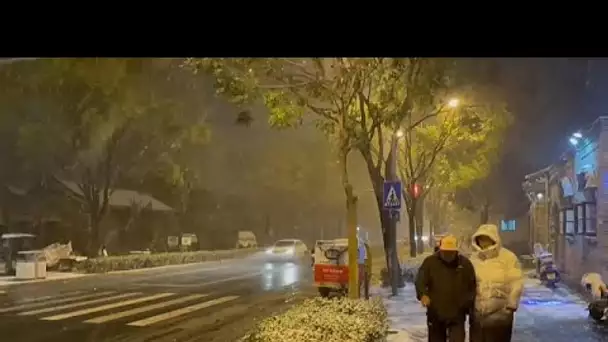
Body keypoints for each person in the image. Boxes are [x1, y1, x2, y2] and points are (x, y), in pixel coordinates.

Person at [415, 234, 477, 342]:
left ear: (456, 251)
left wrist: (466, 304)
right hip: (436, 313)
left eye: (451, 252)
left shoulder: (465, 264)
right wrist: (423, 295)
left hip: (457, 314)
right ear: (440, 250)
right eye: (445, 252)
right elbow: (420, 281)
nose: (448, 255)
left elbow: (472, 286)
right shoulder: (430, 262)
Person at [469, 224, 523, 342]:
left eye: (486, 238)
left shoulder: (507, 257)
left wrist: (512, 302)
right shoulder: (473, 259)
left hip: (501, 314)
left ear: (494, 239)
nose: (483, 242)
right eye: (481, 239)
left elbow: (516, 281)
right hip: (478, 314)